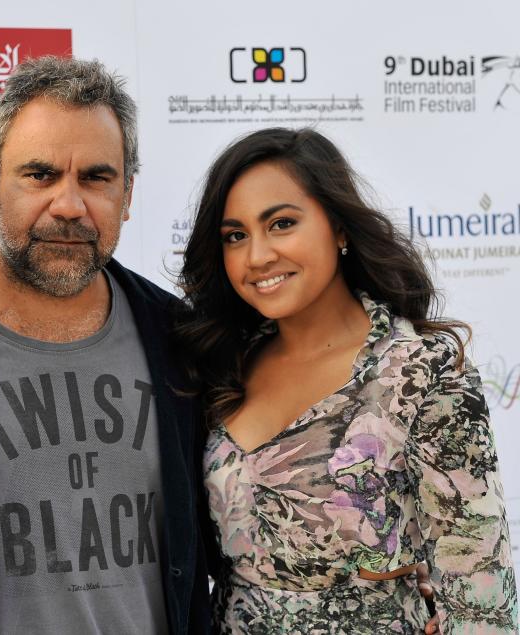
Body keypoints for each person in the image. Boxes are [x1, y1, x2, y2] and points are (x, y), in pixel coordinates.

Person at [0, 56, 214, 633]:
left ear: (127, 194)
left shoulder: (183, 340)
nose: (69, 205)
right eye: (40, 174)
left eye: (97, 178)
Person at [178, 127, 517, 633]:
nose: (258, 256)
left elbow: (480, 592)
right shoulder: (224, 364)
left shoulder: (418, 371)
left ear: (338, 228)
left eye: (282, 223)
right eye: (236, 236)